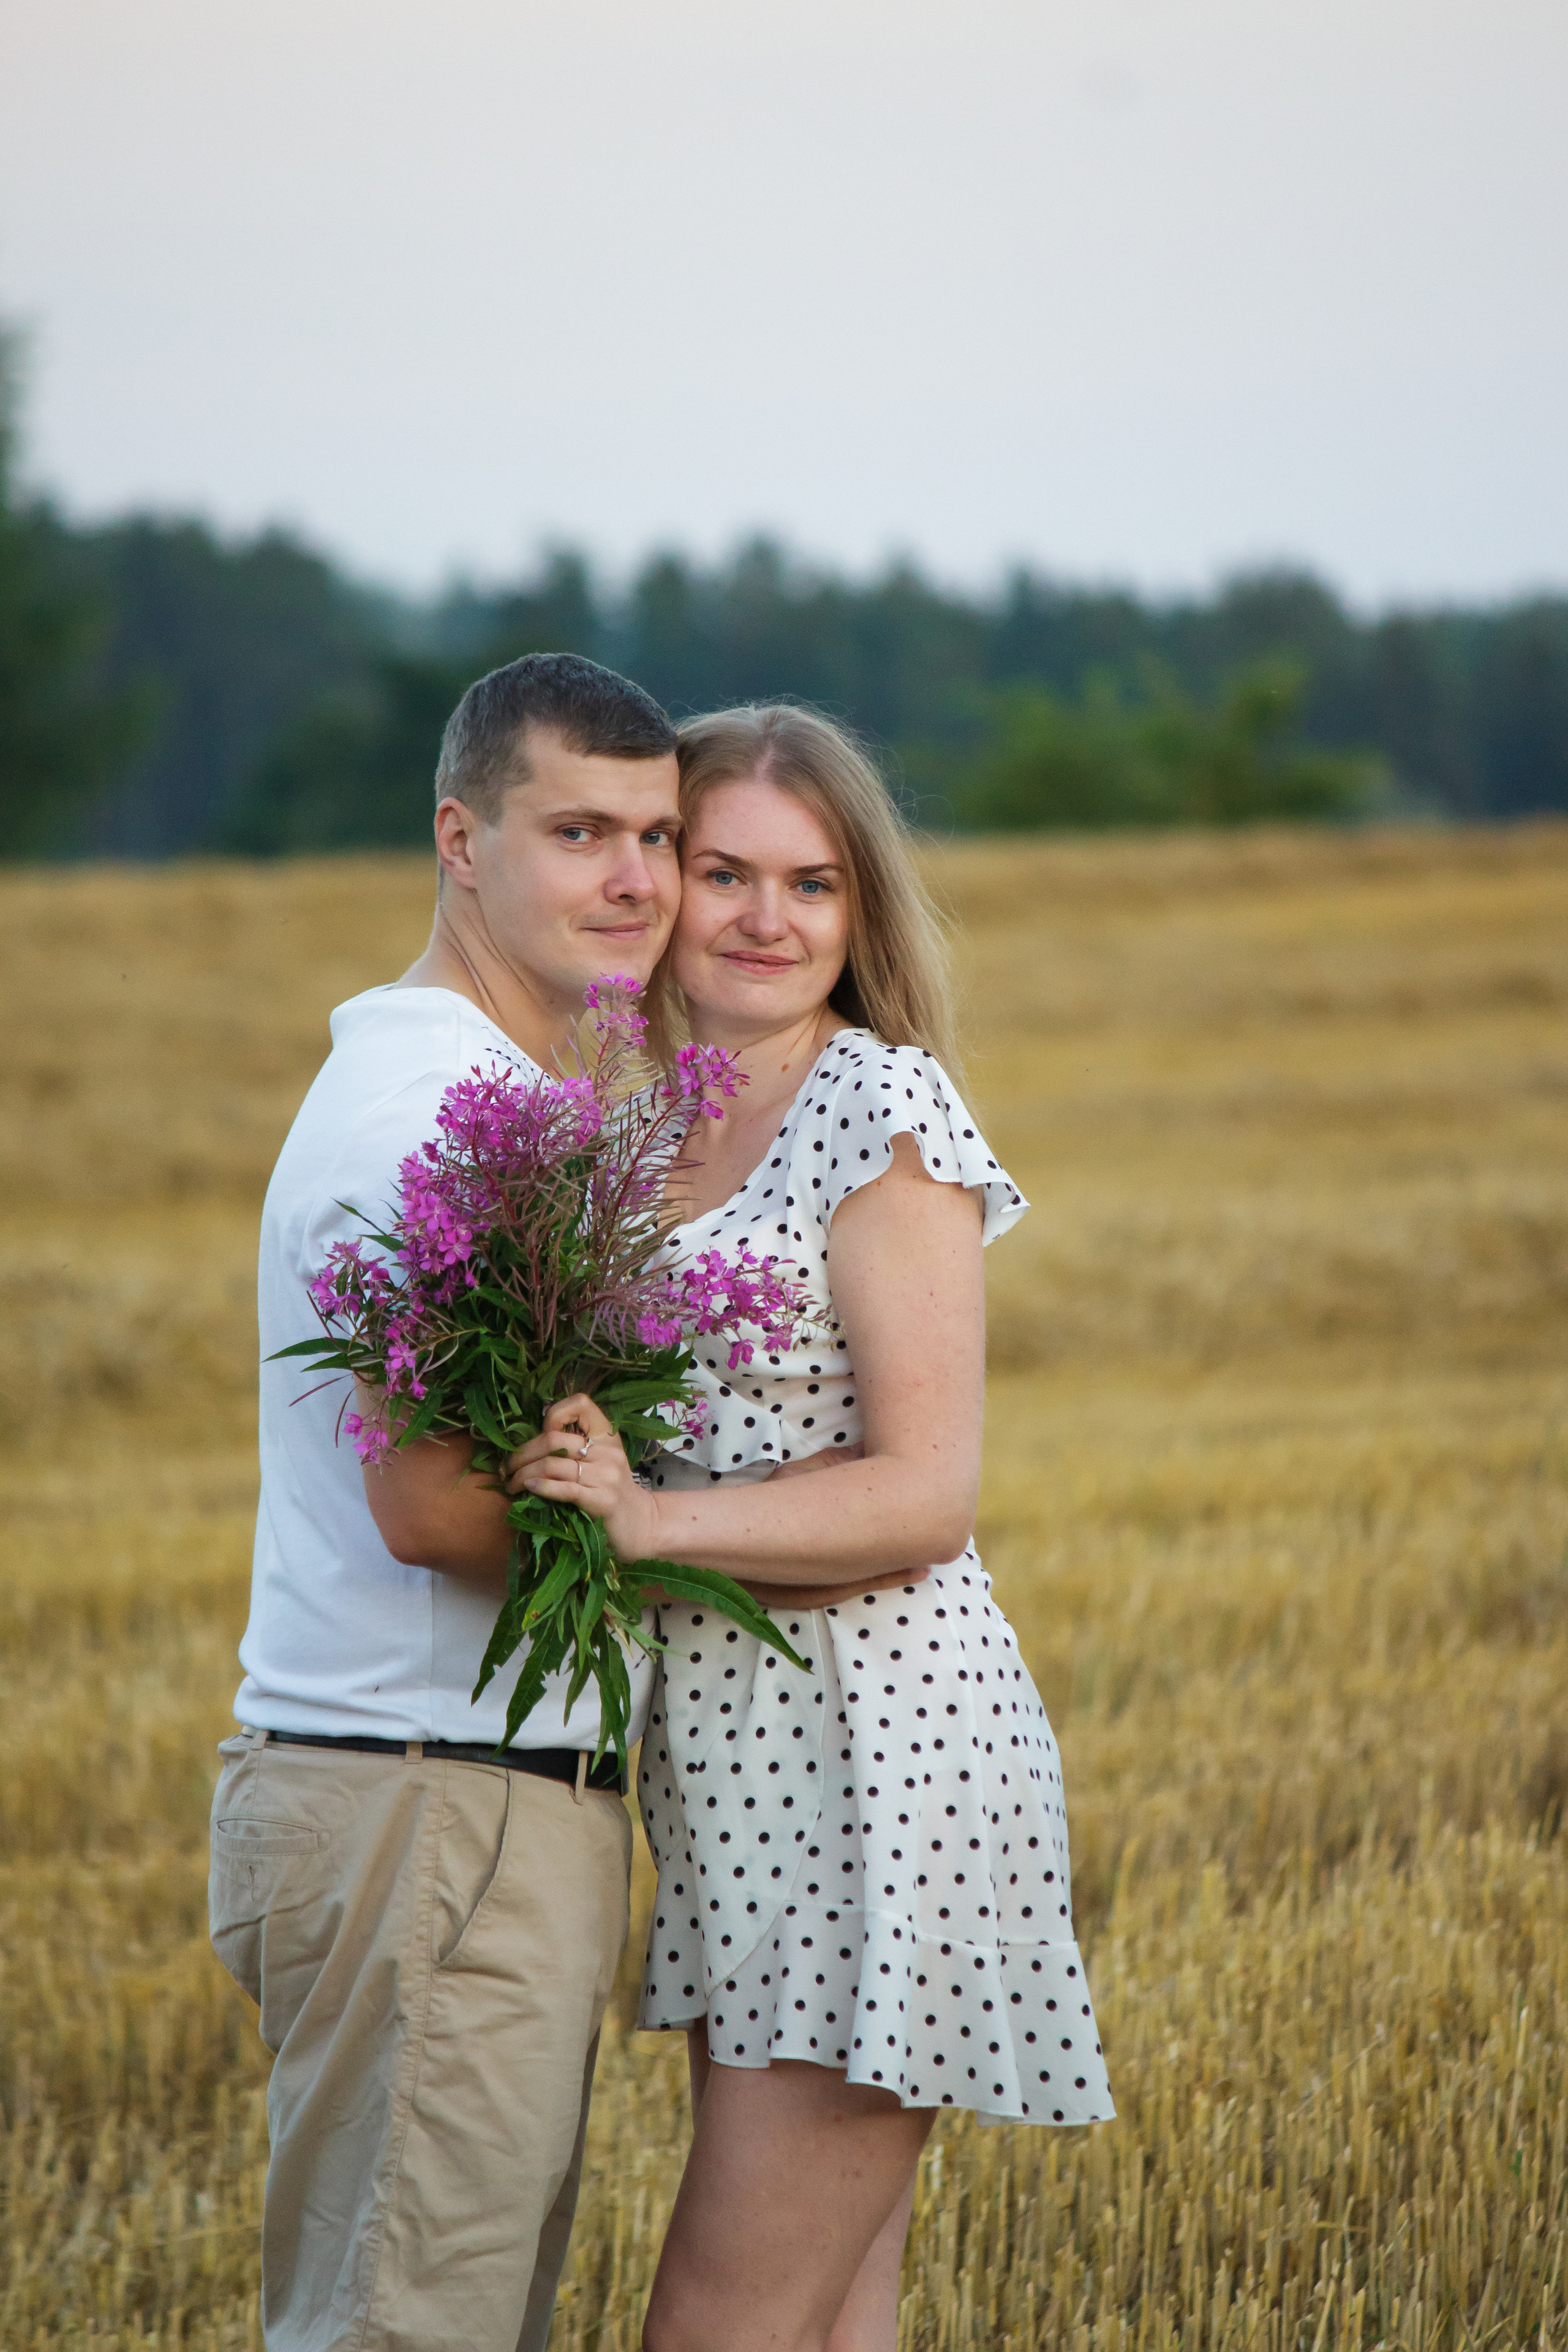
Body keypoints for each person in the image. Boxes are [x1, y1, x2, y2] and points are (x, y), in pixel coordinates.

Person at [513, 704, 1114, 2352]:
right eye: (726, 872)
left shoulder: (882, 1108)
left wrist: (640, 1524)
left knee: (721, 2323)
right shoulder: (632, 1127)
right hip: (729, 1771)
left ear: (862, 915)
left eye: (816, 883)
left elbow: (929, 1493)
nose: (769, 920)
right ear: (661, 880)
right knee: (831, 2318)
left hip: (881, 1762)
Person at [208, 653, 684, 2352]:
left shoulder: (502, 1105)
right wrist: (694, 1544)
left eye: (656, 834)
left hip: (443, 1803)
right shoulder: (431, 1119)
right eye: (579, 830)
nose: (635, 880)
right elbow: (430, 1502)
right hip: (433, 1805)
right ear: (458, 839)